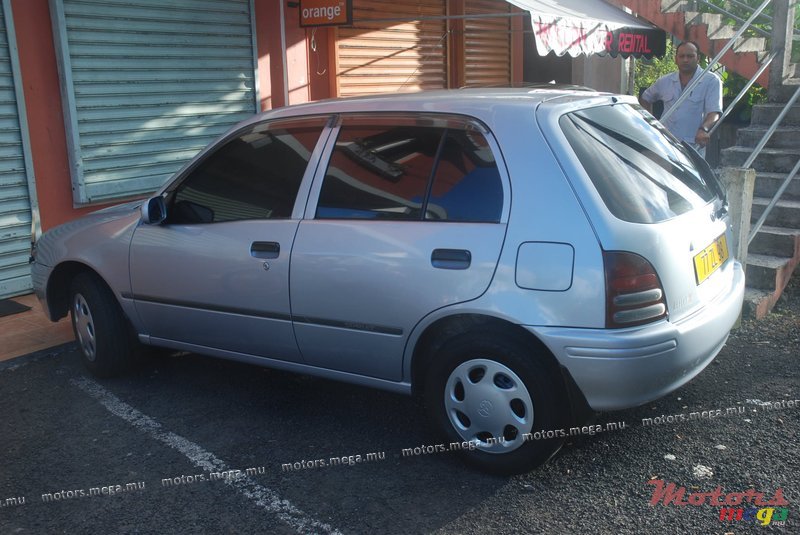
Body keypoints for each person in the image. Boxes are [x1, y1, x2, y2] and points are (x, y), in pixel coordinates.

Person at [639, 41, 722, 157]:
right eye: (682, 56)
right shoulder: (665, 81)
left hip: (692, 146)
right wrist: (650, 124)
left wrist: (704, 129)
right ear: (676, 59)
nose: (685, 60)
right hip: (665, 143)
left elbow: (714, 112)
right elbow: (645, 98)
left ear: (698, 58)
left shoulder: (711, 81)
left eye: (690, 56)